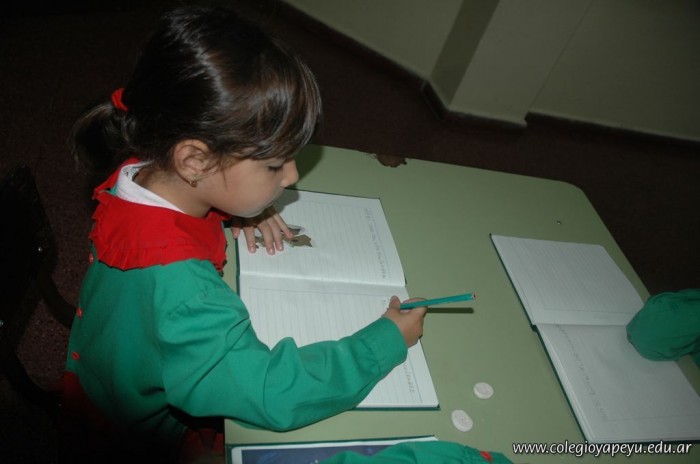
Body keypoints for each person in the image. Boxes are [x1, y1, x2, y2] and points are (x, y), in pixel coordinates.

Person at [64, 5, 512, 464]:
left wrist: (238, 209)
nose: (293, 176)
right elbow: (269, 390)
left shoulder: (141, 170)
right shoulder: (186, 293)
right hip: (133, 434)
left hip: (106, 372)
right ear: (195, 161)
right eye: (274, 165)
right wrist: (383, 343)